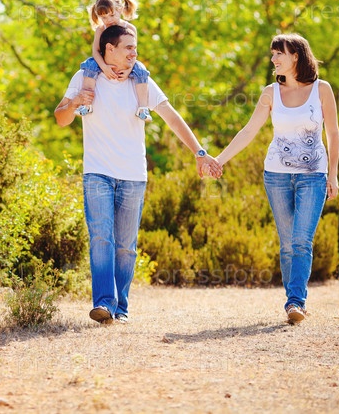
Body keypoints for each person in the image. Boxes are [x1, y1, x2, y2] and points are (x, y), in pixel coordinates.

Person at [55, 24, 221, 324]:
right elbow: (61, 118)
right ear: (109, 49)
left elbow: (172, 117)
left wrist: (199, 152)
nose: (134, 53)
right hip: (97, 173)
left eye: (135, 48)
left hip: (133, 176)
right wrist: (77, 101)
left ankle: (120, 308)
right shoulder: (85, 77)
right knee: (101, 238)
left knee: (125, 247)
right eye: (128, 47)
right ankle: (104, 303)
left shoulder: (140, 81)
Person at [213, 33, 339, 324]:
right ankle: (293, 300)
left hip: (313, 176)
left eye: (278, 53)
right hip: (276, 177)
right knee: (287, 243)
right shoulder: (270, 93)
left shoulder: (322, 89)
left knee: (301, 240)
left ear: (296, 55)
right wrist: (220, 159)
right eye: (272, 54)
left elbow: (333, 133)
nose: (273, 59)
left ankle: (295, 302)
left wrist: (333, 174)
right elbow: (249, 130)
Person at [75, 0, 152, 123]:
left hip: (126, 62)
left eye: (112, 15)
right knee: (89, 65)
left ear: (120, 9)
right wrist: (104, 67)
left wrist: (128, 69)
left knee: (141, 70)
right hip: (103, 62)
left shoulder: (130, 28)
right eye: (104, 17)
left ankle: (143, 108)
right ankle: (86, 105)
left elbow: (133, 52)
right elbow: (95, 51)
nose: (108, 20)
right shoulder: (100, 29)